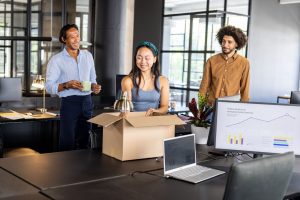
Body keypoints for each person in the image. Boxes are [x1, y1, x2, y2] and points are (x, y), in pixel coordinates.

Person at [45, 24, 101, 151]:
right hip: (69, 103)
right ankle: (65, 170)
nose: (76, 40)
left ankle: (84, 170)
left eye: (77, 35)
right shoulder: (56, 60)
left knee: (85, 141)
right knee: (67, 142)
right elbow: (48, 86)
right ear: (64, 39)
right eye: (71, 37)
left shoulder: (88, 56)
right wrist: (66, 85)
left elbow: (93, 81)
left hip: (87, 101)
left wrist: (94, 87)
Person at [199, 25, 250, 105]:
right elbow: (204, 87)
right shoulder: (211, 61)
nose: (225, 45)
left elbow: (245, 90)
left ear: (236, 44)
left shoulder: (244, 63)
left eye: (229, 42)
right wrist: (200, 108)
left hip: (231, 108)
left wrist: (244, 109)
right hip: (211, 107)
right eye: (223, 41)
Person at [121, 41, 169, 116]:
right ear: (135, 59)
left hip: (153, 121)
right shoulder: (127, 80)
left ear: (154, 59)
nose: (143, 62)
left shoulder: (163, 81)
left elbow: (165, 107)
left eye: (147, 58)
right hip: (132, 121)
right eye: (139, 58)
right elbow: (127, 108)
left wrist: (156, 111)